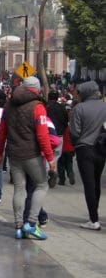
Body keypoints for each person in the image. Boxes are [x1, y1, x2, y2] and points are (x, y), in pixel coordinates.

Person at [0, 76, 55, 240]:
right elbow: (43, 135)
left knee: (19, 189)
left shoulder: (8, 105)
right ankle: (31, 223)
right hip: (32, 154)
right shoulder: (37, 106)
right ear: (37, 89)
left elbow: (1, 132)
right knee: (42, 185)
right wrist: (50, 158)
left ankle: (18, 226)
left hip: (14, 154)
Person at [69, 81, 106, 230]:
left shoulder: (80, 108)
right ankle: (94, 214)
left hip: (84, 148)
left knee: (89, 184)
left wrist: (76, 143)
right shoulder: (104, 107)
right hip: (101, 149)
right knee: (96, 182)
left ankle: (93, 219)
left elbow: (74, 132)